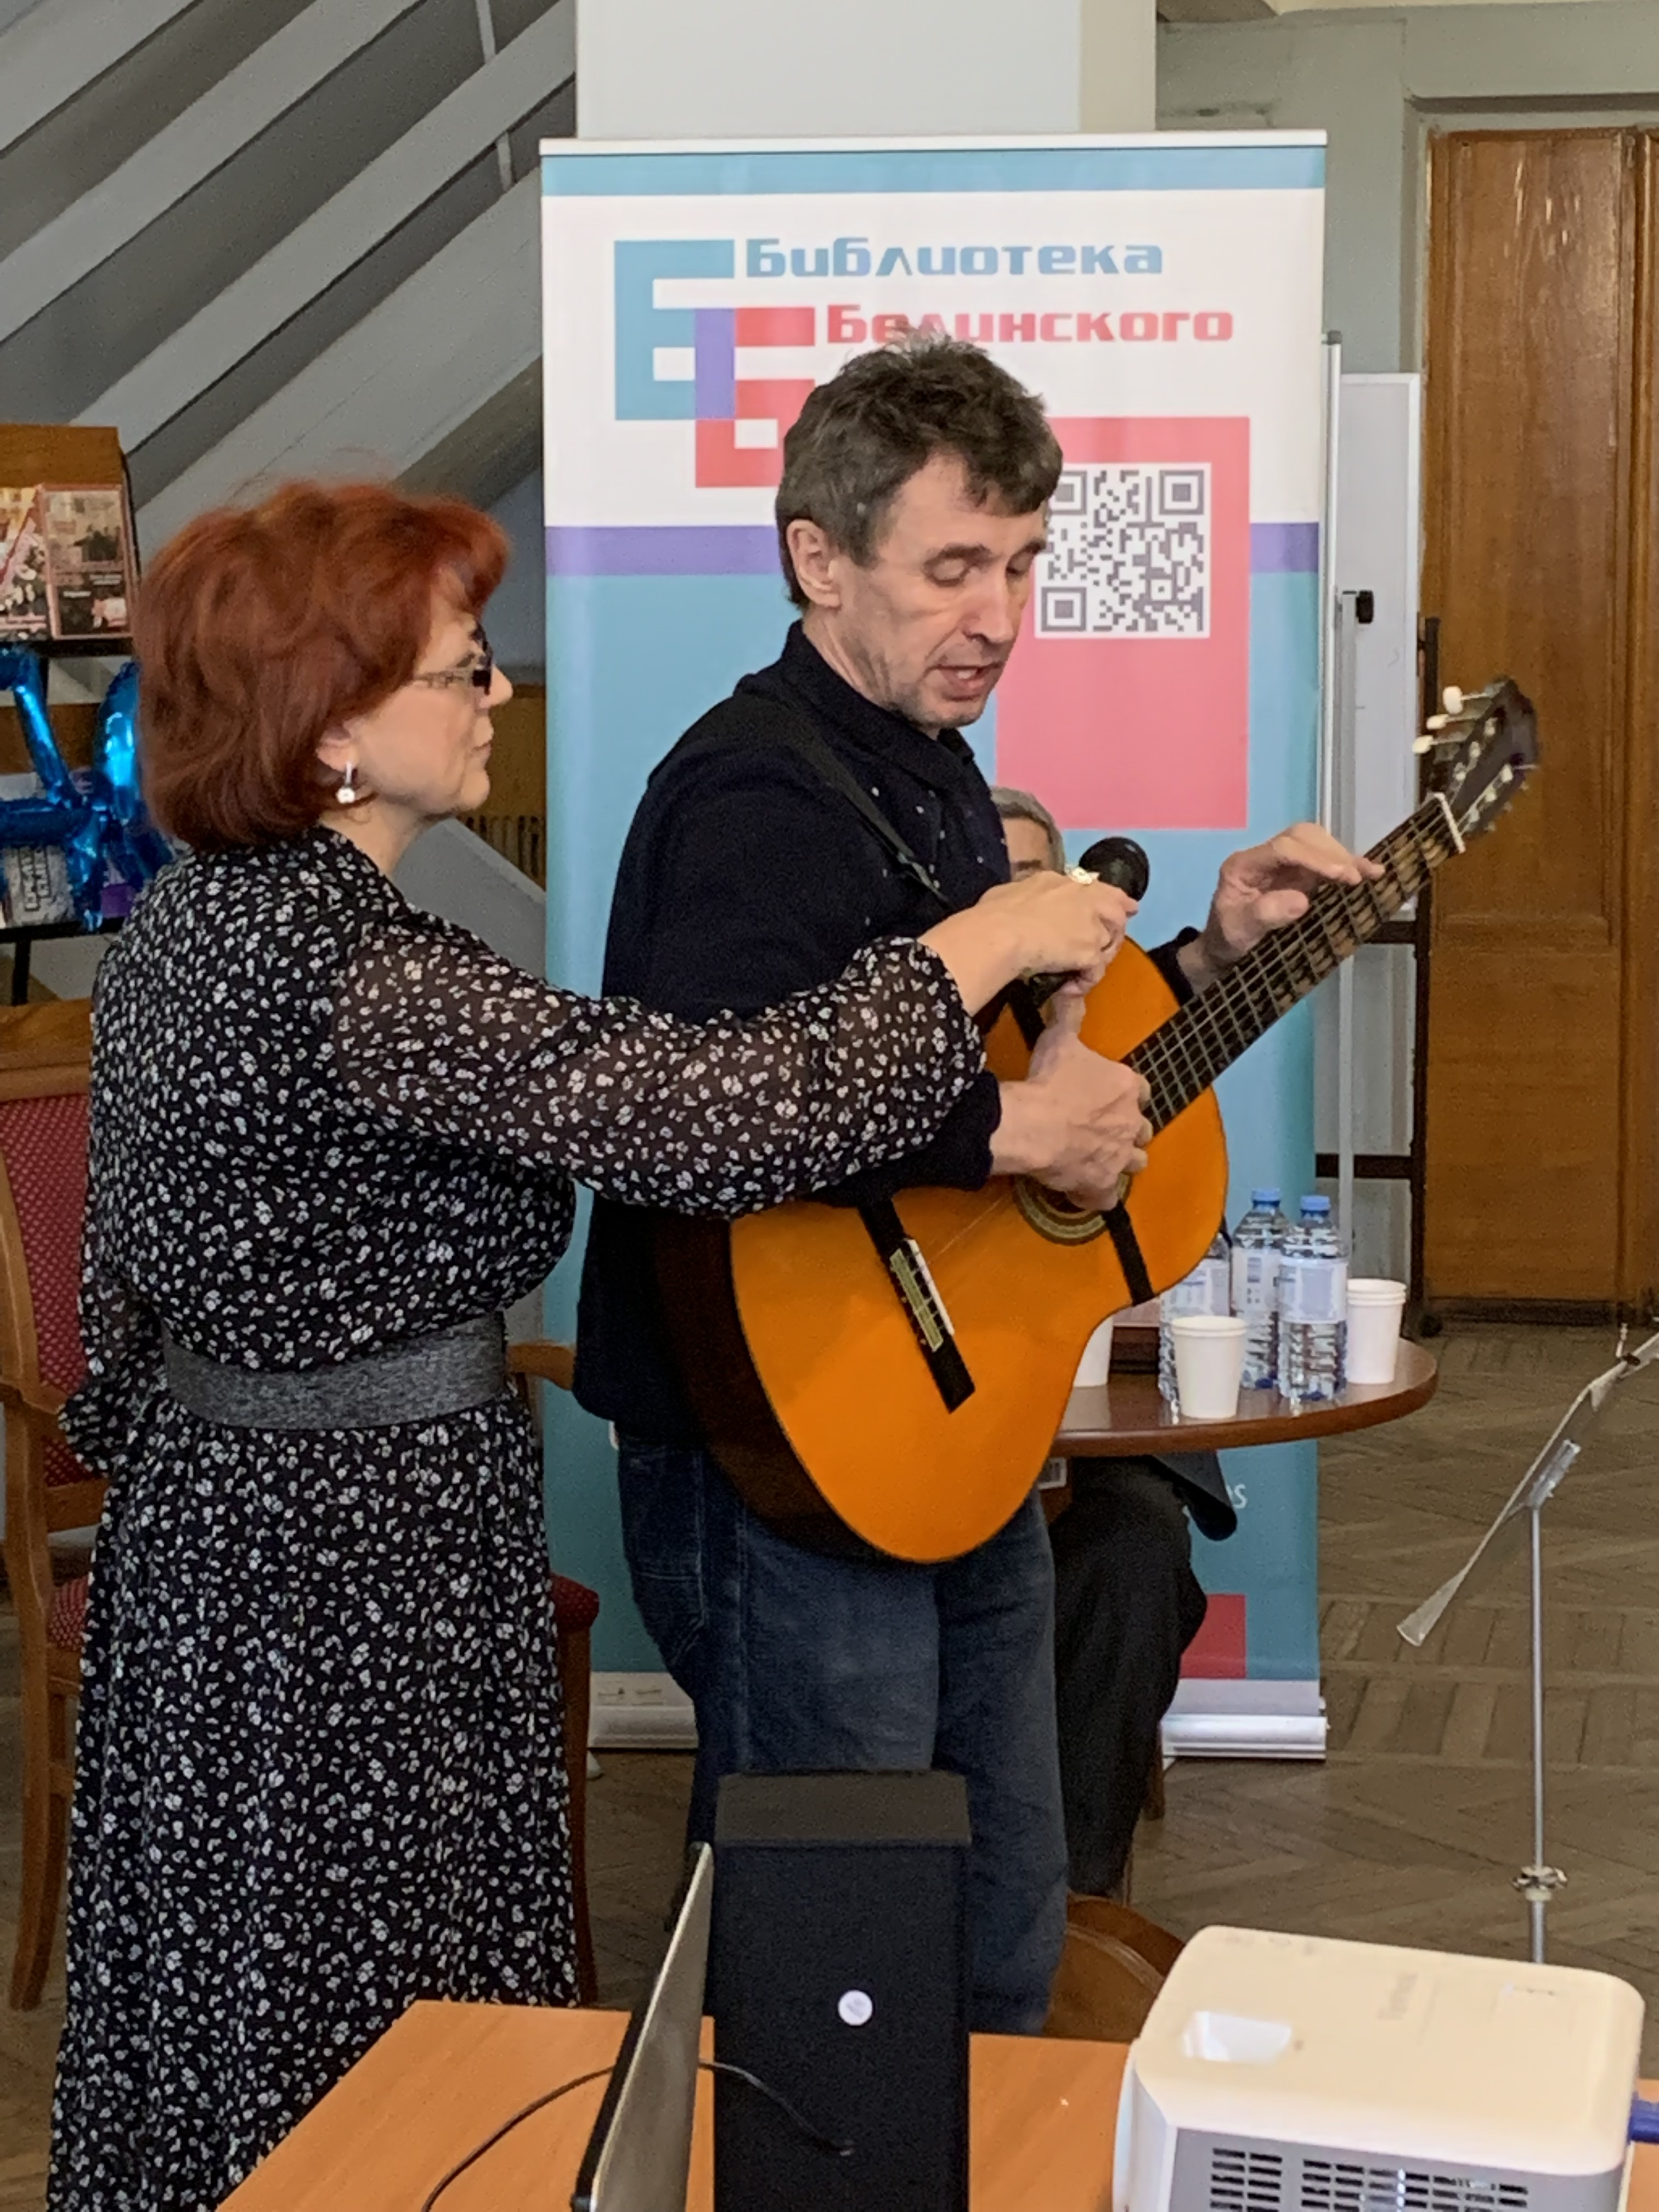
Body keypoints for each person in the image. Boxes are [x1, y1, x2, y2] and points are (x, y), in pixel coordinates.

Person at [47, 478, 1141, 2212]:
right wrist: (986, 942)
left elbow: (123, 1294)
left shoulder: (183, 930)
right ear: (331, 726)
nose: (497, 693)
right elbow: (716, 1115)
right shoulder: (364, 979)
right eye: (460, 668)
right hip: (362, 1568)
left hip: (218, 1539)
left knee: (238, 2002)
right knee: (391, 2032)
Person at [575, 334, 1378, 2034]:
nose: (999, 616)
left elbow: (1007, 1063)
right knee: (836, 1974)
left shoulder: (930, 766)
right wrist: (1007, 1140)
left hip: (954, 1431)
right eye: (953, 568)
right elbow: (718, 1116)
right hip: (790, 1441)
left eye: (1021, 565)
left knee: (1006, 1927)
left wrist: (1206, 959)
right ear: (820, 558)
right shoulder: (747, 795)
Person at [990, 782, 1237, 1900]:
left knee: (1136, 1554)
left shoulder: (1126, 1031)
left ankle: (1076, 1908)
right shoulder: (910, 1051)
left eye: (1030, 884)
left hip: (1096, 1447)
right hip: (942, 1434)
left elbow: (1182, 1254)